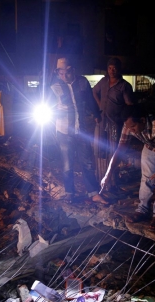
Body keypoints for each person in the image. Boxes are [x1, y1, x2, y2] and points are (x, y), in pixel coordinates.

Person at [101, 105, 155, 230]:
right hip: (149, 145)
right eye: (129, 127)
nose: (131, 130)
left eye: (133, 127)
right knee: (146, 179)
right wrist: (108, 173)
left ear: (143, 120)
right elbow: (120, 149)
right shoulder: (128, 126)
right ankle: (142, 210)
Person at [50, 57, 108, 205]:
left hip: (81, 129)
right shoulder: (54, 86)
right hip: (63, 130)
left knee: (87, 162)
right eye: (61, 72)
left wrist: (96, 114)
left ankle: (93, 193)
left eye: (67, 71)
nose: (64, 75)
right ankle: (70, 193)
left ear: (72, 70)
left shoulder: (82, 82)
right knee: (67, 164)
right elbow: (48, 105)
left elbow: (90, 100)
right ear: (58, 72)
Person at [92, 57, 134, 190]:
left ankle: (112, 181)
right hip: (101, 121)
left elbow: (129, 104)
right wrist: (100, 106)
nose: (112, 70)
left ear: (119, 69)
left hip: (115, 123)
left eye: (114, 68)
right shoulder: (103, 81)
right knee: (98, 149)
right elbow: (94, 91)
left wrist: (126, 119)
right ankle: (99, 177)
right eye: (110, 68)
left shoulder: (124, 86)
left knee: (113, 150)